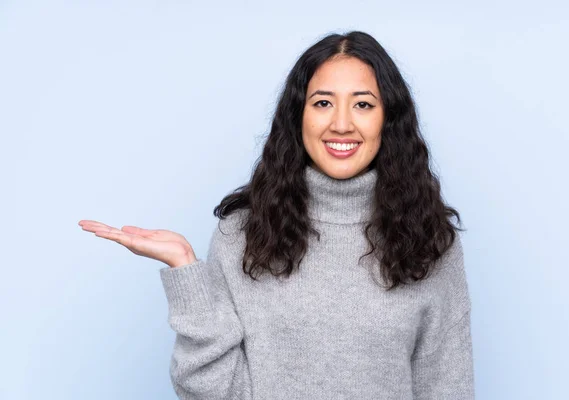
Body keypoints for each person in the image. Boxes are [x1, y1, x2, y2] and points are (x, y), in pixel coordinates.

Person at [79, 30, 474, 400]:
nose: (341, 123)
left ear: (388, 119)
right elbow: (212, 391)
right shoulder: (243, 234)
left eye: (363, 104)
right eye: (322, 103)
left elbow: (448, 388)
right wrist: (187, 271)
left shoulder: (430, 242)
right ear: (297, 116)